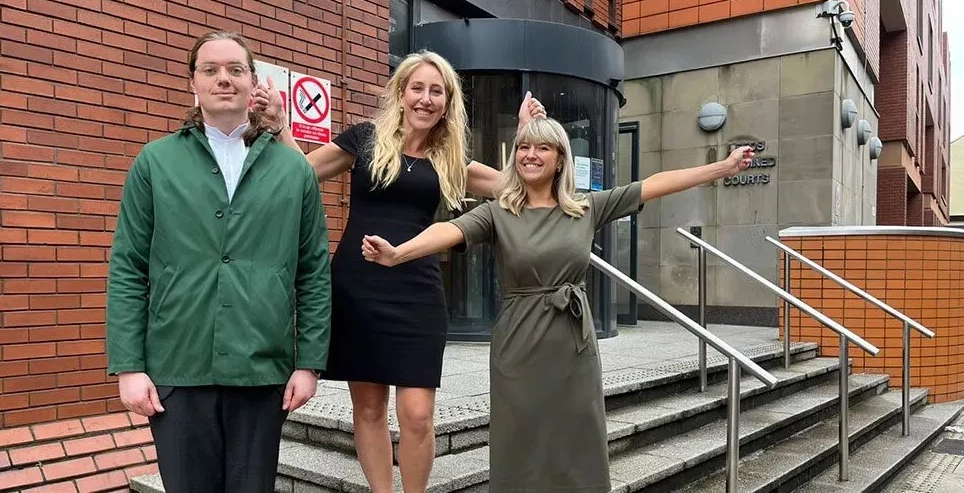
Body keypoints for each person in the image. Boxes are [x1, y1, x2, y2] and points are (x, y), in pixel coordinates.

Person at [360, 117, 754, 492]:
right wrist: (399, 254)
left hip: (572, 345)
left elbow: (652, 184)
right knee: (521, 440)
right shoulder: (498, 212)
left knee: (575, 439)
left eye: (542, 148)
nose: (530, 154)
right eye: (523, 147)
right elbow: (448, 230)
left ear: (560, 158)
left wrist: (721, 168)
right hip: (519, 345)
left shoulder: (585, 207)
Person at [251, 51, 544, 493]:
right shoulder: (364, 139)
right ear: (401, 93)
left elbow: (512, 185)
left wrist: (526, 135)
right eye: (418, 88)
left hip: (417, 293)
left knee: (418, 414)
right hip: (357, 288)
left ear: (447, 102)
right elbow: (303, 174)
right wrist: (279, 126)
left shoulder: (449, 160)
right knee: (367, 410)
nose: (426, 99)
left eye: (437, 91)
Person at [105, 30, 331, 493]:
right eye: (210, 70)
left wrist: (309, 363)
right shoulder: (155, 162)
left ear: (254, 83)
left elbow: (313, 271)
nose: (223, 79)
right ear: (194, 83)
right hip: (177, 365)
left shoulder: (295, 171)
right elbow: (128, 267)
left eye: (235, 69)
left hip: (260, 367)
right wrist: (129, 366)